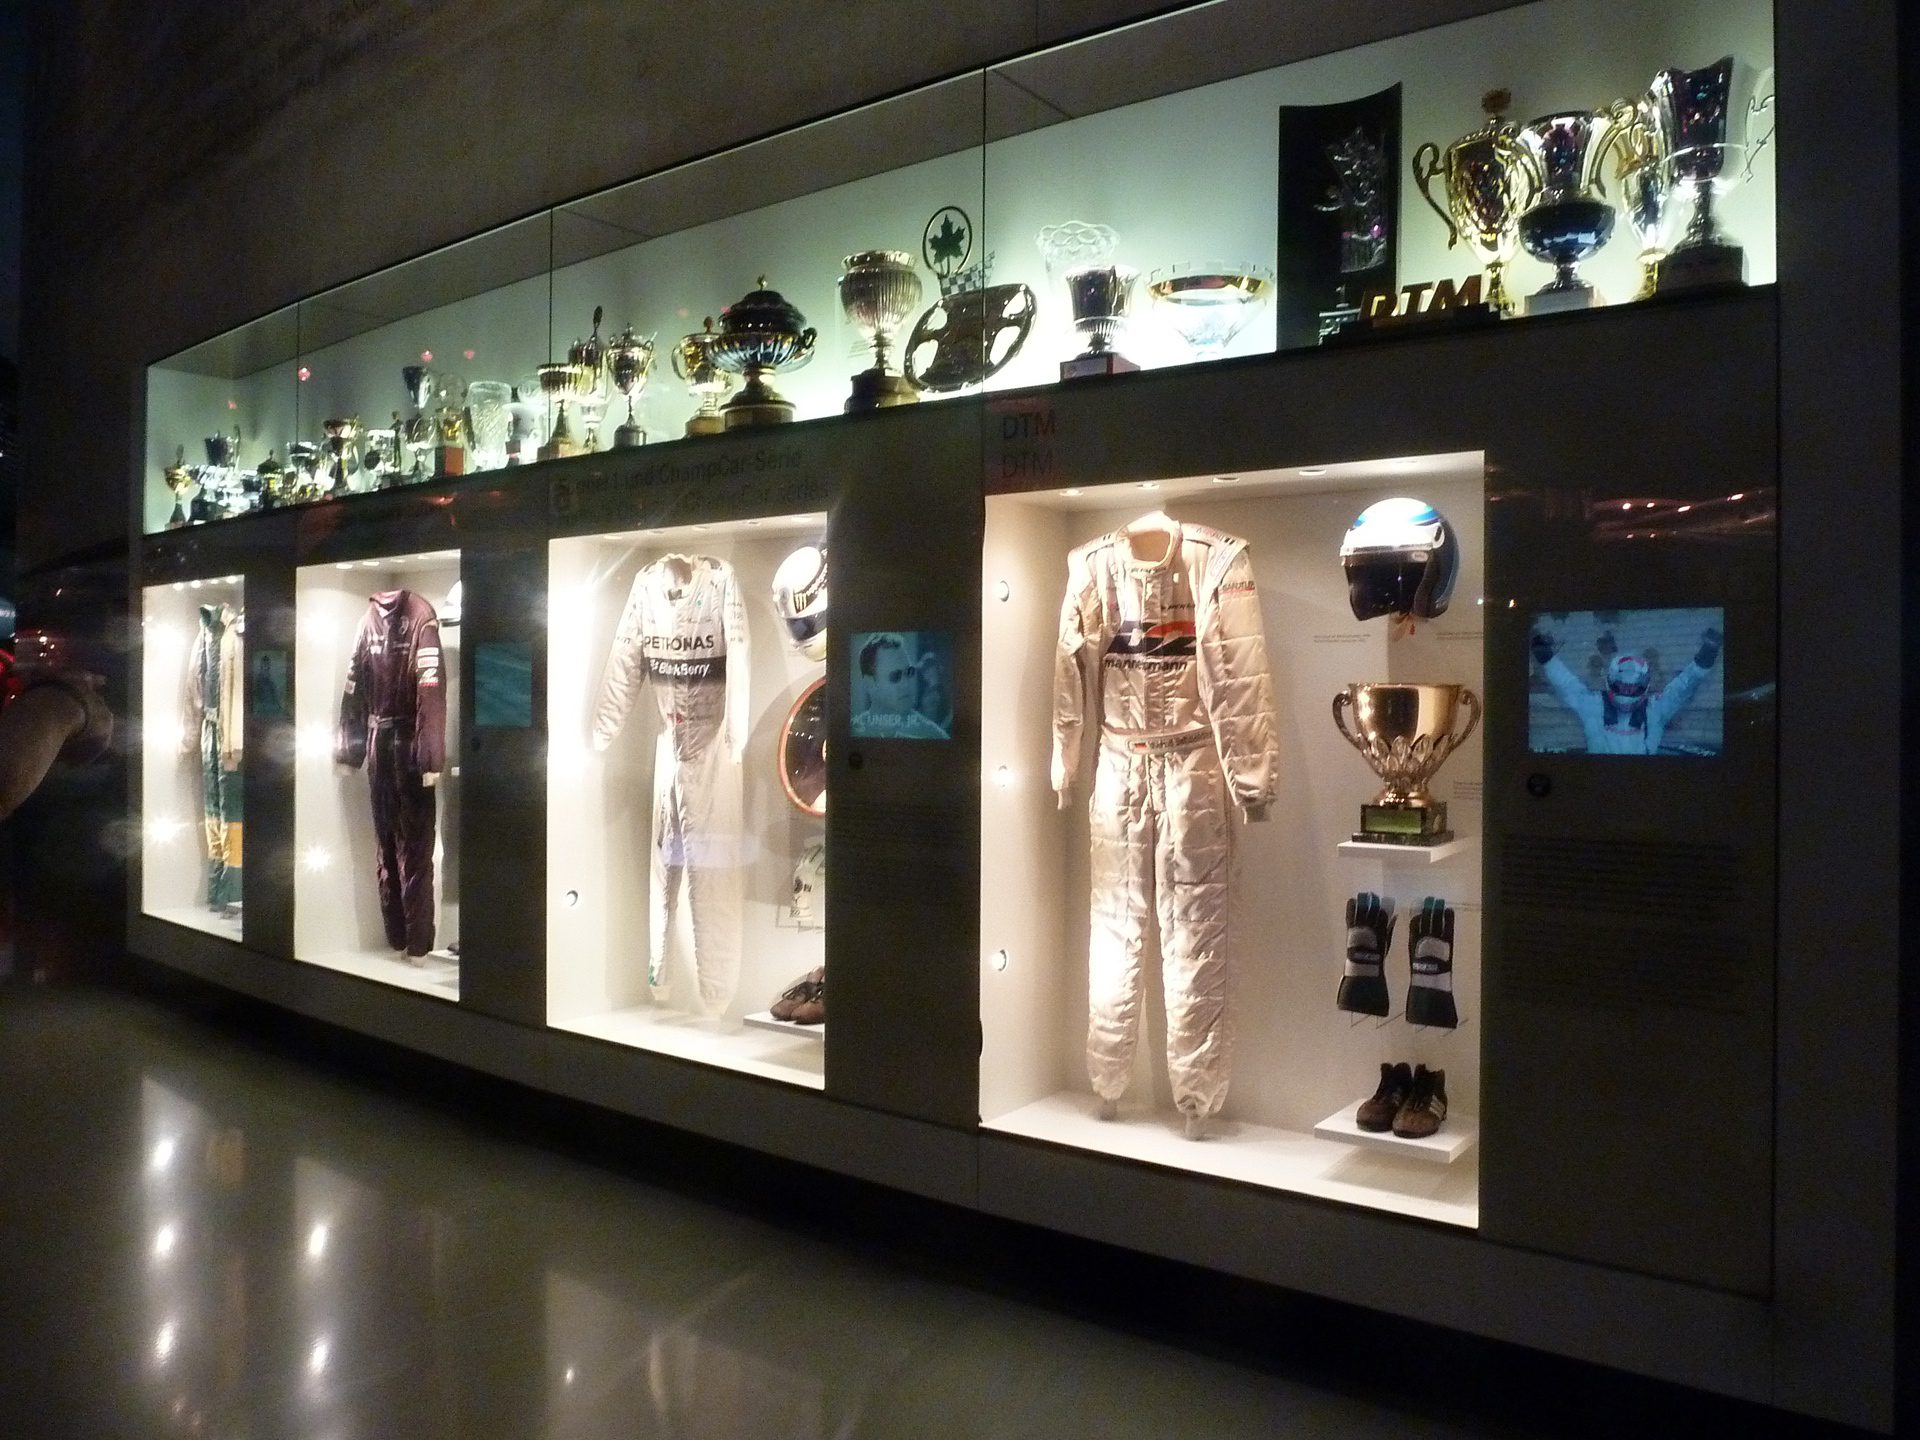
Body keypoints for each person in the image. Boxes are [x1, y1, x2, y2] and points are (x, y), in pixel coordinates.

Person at [1531, 623, 1722, 755]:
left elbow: (1685, 685)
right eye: (1622, 687)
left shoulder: (1655, 709)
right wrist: (1541, 650)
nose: (1627, 693)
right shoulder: (1594, 705)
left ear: (1644, 686)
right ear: (1611, 681)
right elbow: (1565, 682)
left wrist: (1708, 652)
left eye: (1633, 688)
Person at [853, 633, 948, 739]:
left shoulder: (933, 735)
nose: (906, 683)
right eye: (895, 676)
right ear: (869, 684)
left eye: (909, 672)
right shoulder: (853, 731)